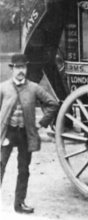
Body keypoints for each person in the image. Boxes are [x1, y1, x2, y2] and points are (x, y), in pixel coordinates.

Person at [1, 53, 60, 214]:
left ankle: (19, 204)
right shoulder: (3, 88)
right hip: (7, 133)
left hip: (26, 134)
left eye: (23, 67)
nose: (21, 71)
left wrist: (41, 124)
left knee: (24, 169)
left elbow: (53, 104)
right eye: (17, 67)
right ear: (12, 69)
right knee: (0, 165)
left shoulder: (34, 88)